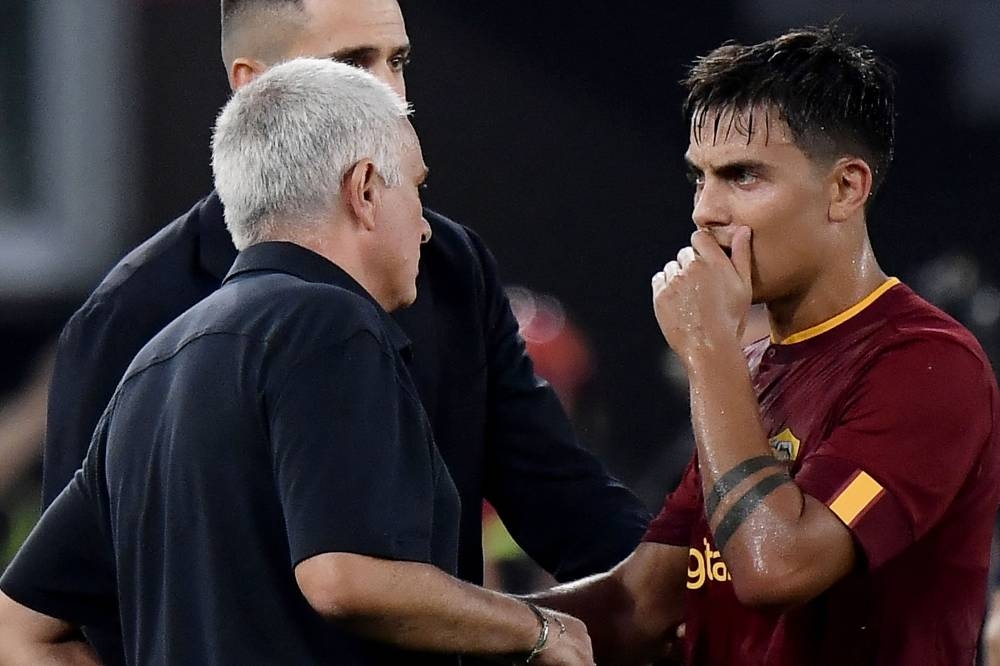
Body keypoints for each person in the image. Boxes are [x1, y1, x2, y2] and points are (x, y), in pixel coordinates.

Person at [38, 0, 649, 661]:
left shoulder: (448, 267)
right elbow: (70, 611)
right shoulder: (131, 315)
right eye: (354, 64)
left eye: (398, 61)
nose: (389, 94)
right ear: (253, 87)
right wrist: (534, 631)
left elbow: (564, 501)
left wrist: (703, 591)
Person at [530, 25, 1000, 665]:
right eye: (701, 178)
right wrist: (452, 624)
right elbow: (641, 604)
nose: (704, 211)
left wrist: (710, 353)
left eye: (743, 176)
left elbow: (774, 567)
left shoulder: (927, 363)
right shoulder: (746, 370)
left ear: (846, 188)